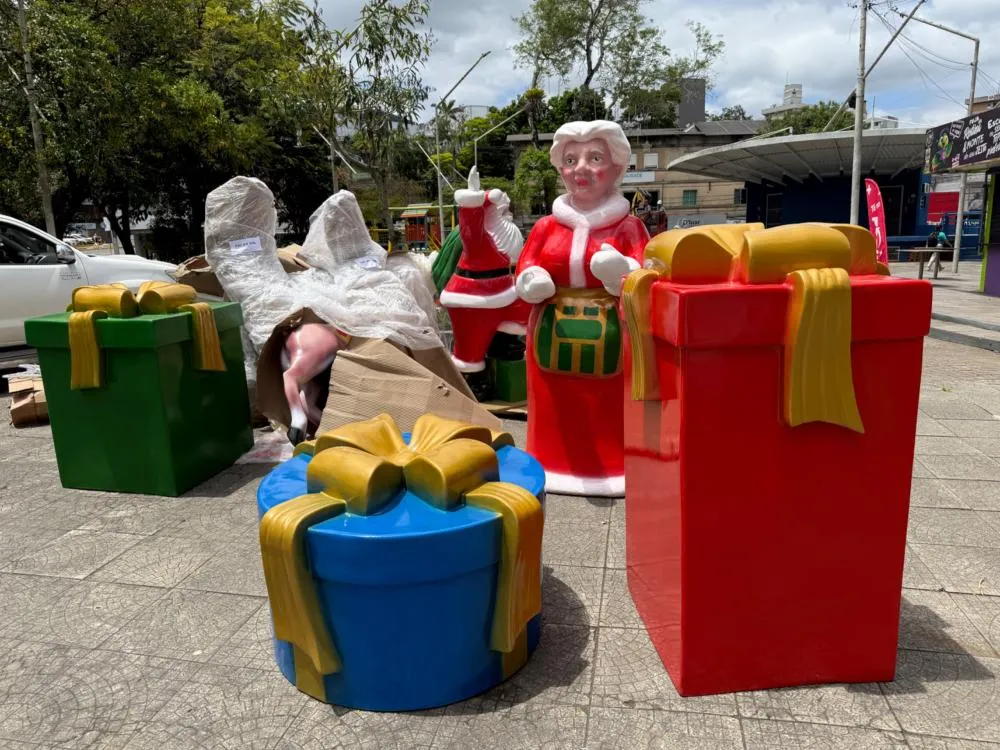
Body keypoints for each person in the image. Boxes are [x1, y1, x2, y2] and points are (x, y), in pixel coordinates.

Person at [514, 120, 650, 497]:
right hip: (549, 330)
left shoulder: (629, 227)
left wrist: (623, 273)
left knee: (605, 407)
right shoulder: (545, 227)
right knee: (555, 403)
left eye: (594, 158)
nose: (581, 169)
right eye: (571, 160)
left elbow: (648, 277)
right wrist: (532, 281)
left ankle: (610, 465)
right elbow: (525, 267)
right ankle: (551, 460)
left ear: (617, 168)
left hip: (611, 330)